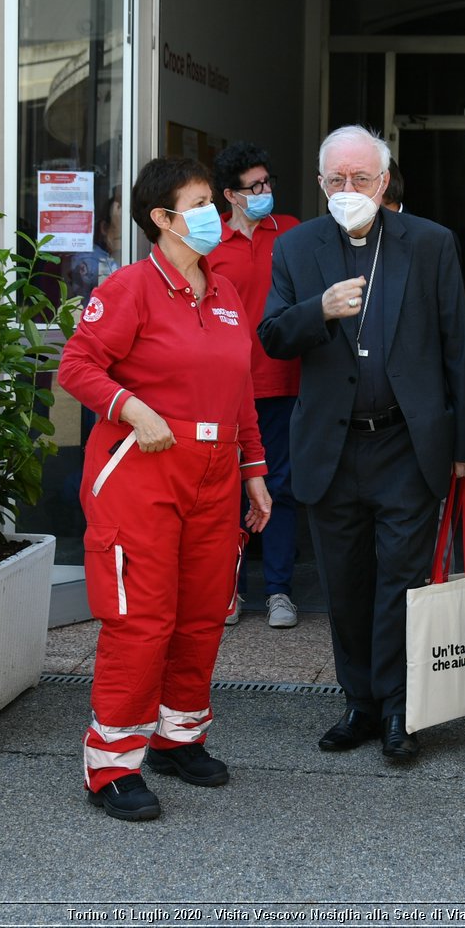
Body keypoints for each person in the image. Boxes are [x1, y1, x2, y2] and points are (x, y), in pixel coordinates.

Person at [57, 156, 272, 822]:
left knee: (204, 610)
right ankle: (112, 763)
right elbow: (76, 365)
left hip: (216, 473)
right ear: (163, 218)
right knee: (143, 618)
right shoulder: (129, 290)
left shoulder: (225, 294)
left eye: (214, 200)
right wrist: (132, 407)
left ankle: (179, 736)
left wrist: (254, 471)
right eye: (203, 201)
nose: (216, 212)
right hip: (143, 470)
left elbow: (241, 390)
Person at [258, 125, 465, 762]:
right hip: (332, 447)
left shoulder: (430, 244)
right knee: (345, 583)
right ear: (321, 183)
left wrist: (463, 442)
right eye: (336, 180)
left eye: (360, 179)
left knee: (401, 584)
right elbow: (272, 334)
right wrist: (318, 311)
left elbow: (455, 348)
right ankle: (357, 702)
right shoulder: (299, 249)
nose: (347, 190)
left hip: (407, 444)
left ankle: (398, 709)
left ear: (383, 183)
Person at [205, 142, 302, 629]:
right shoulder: (211, 245)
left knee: (280, 488)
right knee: (230, 492)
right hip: (228, 390)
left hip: (284, 382)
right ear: (231, 195)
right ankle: (230, 590)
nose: (266, 191)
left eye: (268, 182)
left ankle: (280, 591)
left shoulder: (291, 231)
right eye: (255, 186)